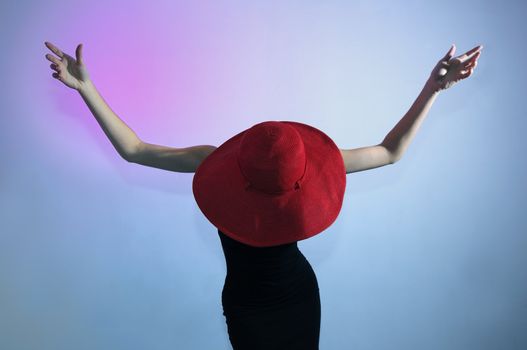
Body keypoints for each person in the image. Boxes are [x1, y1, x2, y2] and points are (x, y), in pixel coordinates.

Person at [44, 41, 483, 349]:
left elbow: (135, 150)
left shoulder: (216, 162)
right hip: (251, 308)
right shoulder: (236, 166)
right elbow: (135, 150)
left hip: (294, 302)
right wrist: (86, 88)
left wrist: (434, 88)